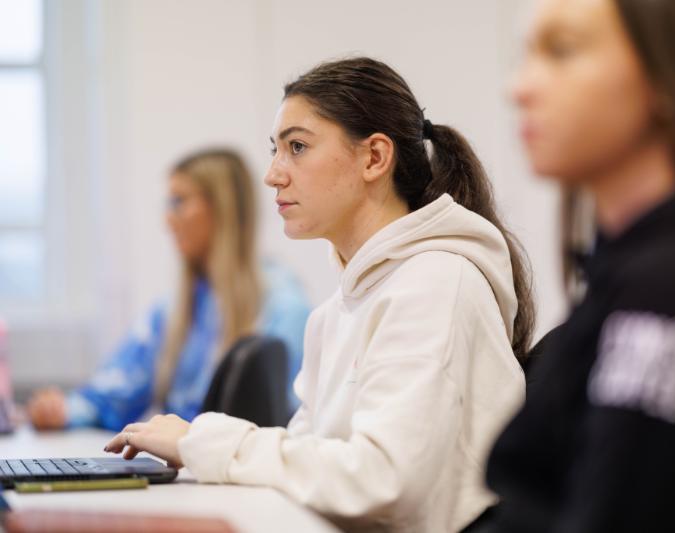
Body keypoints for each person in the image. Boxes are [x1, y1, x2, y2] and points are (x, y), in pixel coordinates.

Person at [104, 57, 534, 533]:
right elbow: (310, 471)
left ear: (374, 158)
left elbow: (383, 483)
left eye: (297, 147)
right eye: (276, 149)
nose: (273, 174)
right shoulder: (336, 312)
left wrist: (201, 442)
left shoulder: (436, 284)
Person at [481, 0, 675, 532]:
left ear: (668, 75)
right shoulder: (643, 268)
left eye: (562, 52)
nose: (519, 88)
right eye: (527, 54)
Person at [27, 148, 310, 432]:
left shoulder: (284, 307)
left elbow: (285, 424)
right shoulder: (174, 310)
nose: (168, 220)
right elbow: (116, 392)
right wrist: (61, 410)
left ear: (222, 208)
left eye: (179, 202)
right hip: (185, 466)